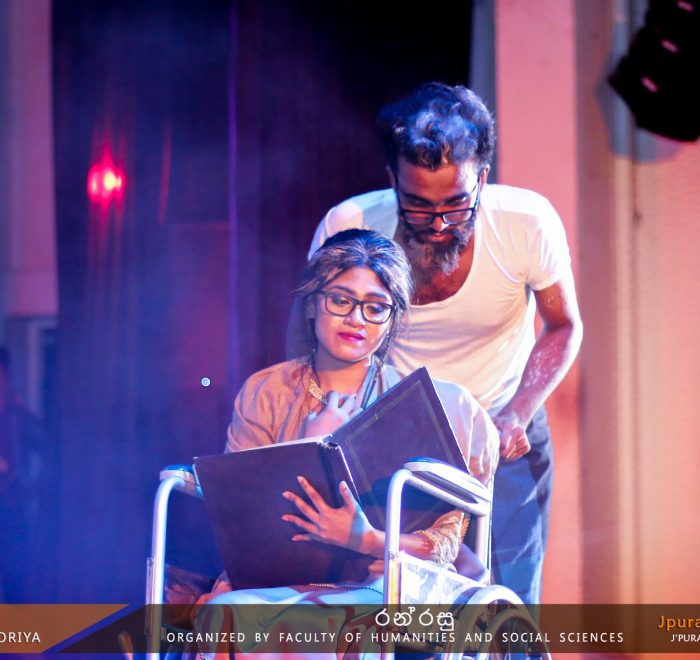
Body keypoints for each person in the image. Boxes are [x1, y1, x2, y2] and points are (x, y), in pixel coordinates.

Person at [296, 82, 584, 604]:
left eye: (456, 204)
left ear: (482, 178)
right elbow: (311, 331)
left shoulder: (525, 223)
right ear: (393, 181)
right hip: (388, 439)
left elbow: (564, 326)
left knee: (508, 602)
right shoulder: (352, 225)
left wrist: (518, 413)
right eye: (418, 206)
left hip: (502, 430)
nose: (439, 224)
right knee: (392, 602)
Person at [197, 229, 499, 657]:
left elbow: (445, 543)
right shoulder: (267, 391)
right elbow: (244, 516)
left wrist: (365, 539)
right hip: (284, 575)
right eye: (341, 300)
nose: (357, 318)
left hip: (386, 579)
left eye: (375, 307)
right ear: (312, 302)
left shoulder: (430, 405)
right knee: (228, 610)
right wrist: (307, 449)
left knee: (310, 622)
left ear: (392, 318)